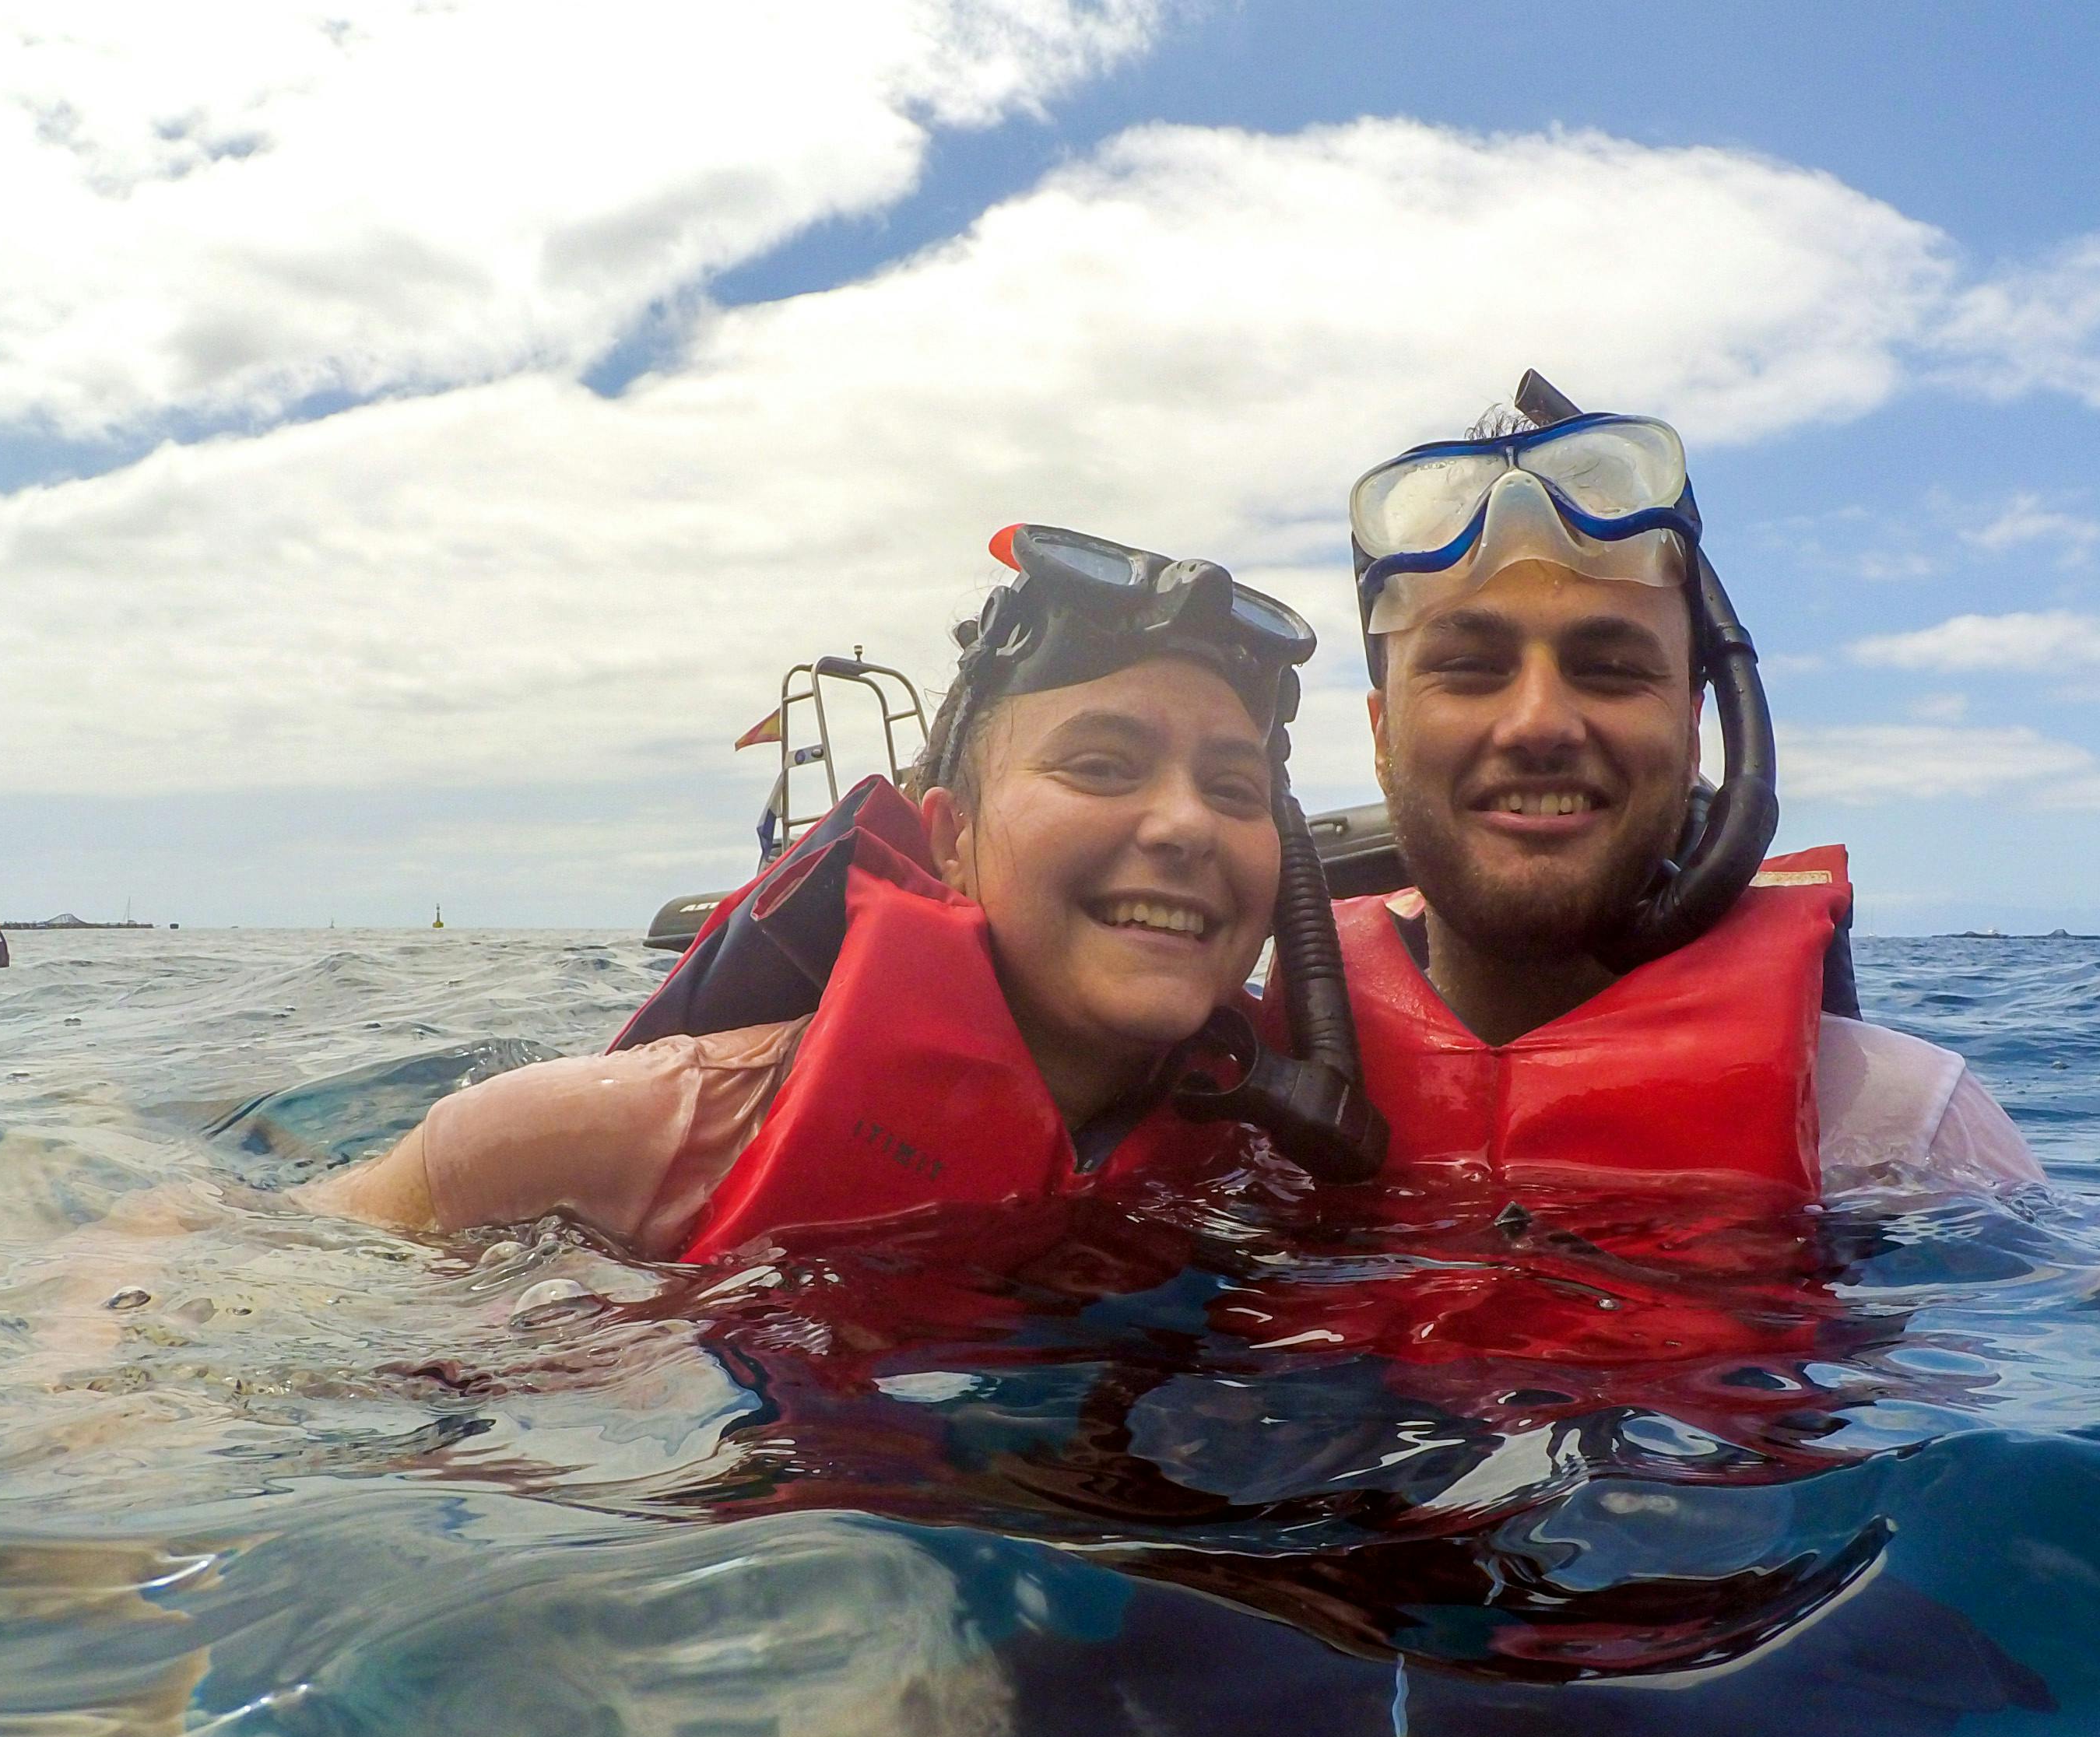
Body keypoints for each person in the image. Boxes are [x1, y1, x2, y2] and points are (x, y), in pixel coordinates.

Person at [305, 525, 1333, 1258]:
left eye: (1234, 788)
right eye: (1103, 767)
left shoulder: (1282, 1146)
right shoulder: (591, 1133)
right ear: (950, 842)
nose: (1186, 824)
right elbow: (231, 1284)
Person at [1332, 374, 2042, 1202]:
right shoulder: (1243, 1099)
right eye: (1469, 669)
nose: (1538, 721)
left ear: (1693, 724)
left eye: (1610, 670)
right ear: (1382, 735)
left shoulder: (1898, 1137)